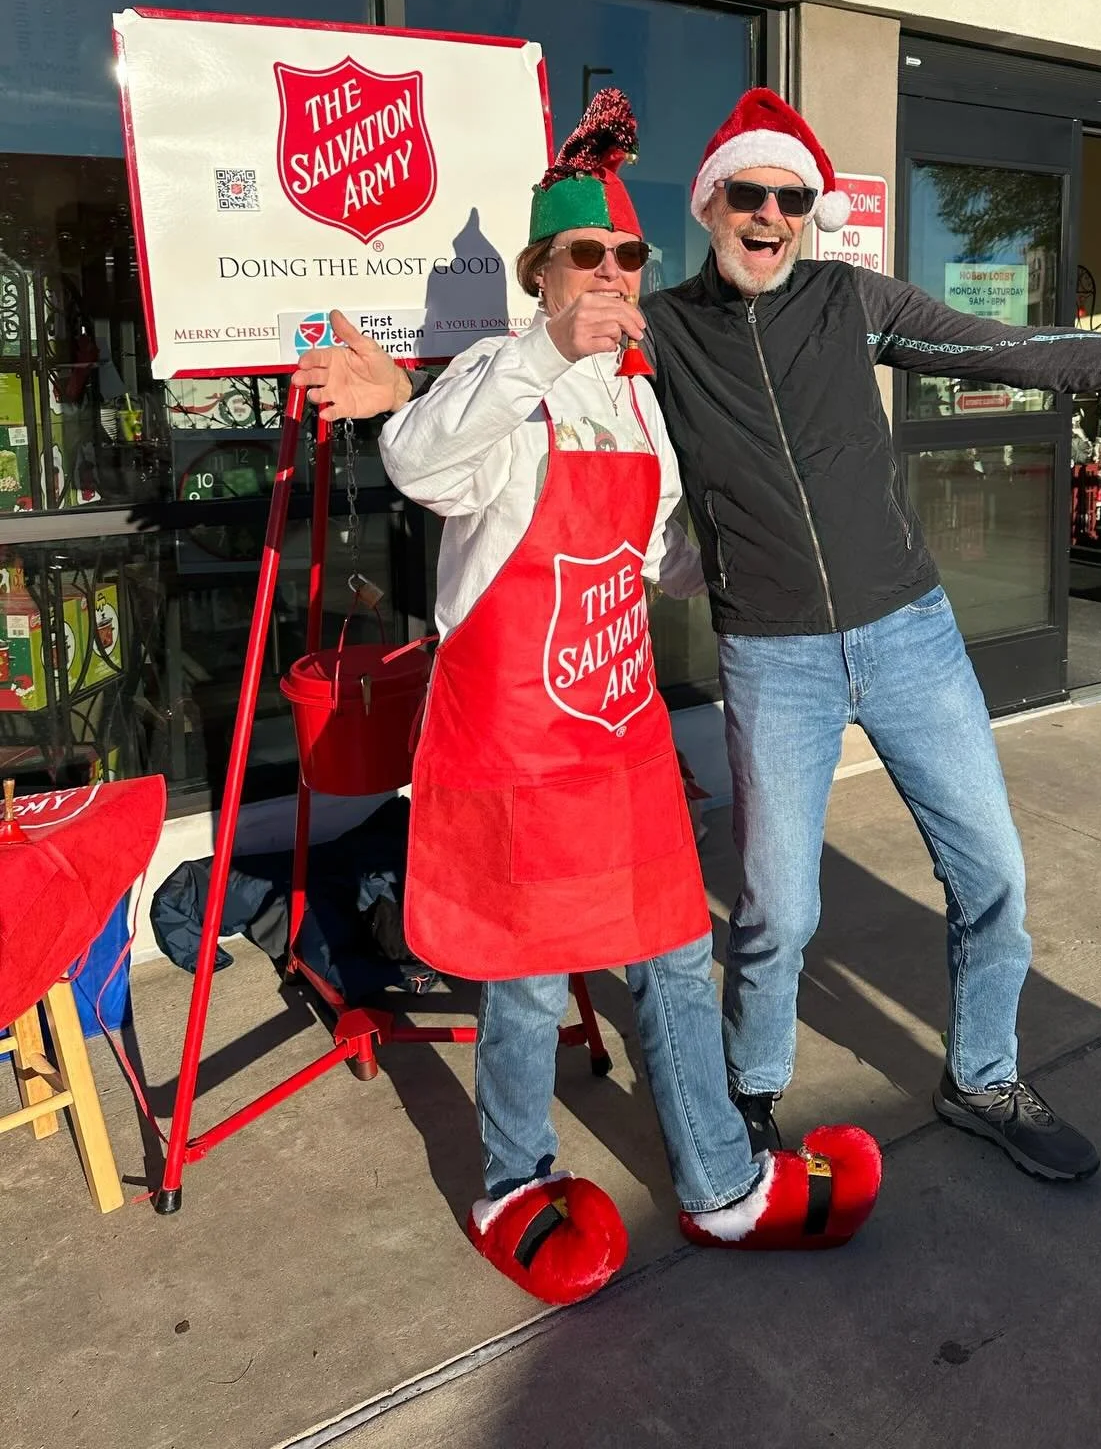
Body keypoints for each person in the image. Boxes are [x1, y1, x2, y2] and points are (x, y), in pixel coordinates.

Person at [302, 86, 1101, 1190]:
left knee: (993, 873)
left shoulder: (847, 299)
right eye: (748, 194)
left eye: (792, 196)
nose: (771, 213)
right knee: (777, 909)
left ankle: (985, 1075)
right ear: (710, 208)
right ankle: (751, 1100)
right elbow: (526, 402)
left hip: (911, 633)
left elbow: (1011, 352)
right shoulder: (656, 333)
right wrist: (401, 389)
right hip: (774, 656)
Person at [297, 90, 880, 1309]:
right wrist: (542, 354)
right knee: (524, 979)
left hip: (614, 736)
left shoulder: (639, 398)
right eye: (585, 257)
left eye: (627, 256)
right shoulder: (499, 378)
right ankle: (514, 1179)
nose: (612, 276)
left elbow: (659, 549)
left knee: (672, 952)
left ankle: (721, 1187)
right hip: (509, 740)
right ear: (540, 273)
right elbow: (420, 461)